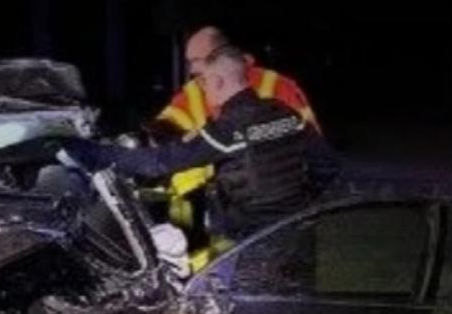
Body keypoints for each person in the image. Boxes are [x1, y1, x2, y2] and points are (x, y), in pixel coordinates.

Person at [68, 45, 338, 242]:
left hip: (256, 239)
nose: (203, 90)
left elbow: (159, 163)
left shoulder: (229, 128)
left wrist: (87, 151)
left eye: (205, 82)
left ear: (219, 81)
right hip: (299, 230)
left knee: (245, 311)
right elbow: (326, 165)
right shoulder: (285, 112)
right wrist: (300, 203)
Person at [155, 25, 319, 136]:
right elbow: (163, 130)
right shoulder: (192, 94)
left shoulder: (279, 86)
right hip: (216, 184)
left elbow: (311, 137)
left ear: (220, 57)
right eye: (189, 62)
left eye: (197, 60)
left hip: (272, 182)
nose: (192, 70)